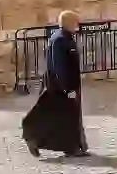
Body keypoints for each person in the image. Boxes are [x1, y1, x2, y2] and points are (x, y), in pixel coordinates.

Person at [23, 10, 89, 157]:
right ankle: (69, 147)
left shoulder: (64, 37)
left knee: (63, 117)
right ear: (69, 23)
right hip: (62, 86)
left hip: (63, 85)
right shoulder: (60, 40)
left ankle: (71, 147)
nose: (78, 25)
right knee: (67, 117)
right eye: (75, 22)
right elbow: (60, 66)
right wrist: (67, 88)